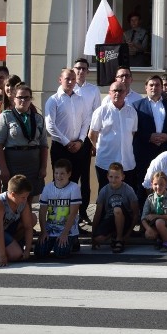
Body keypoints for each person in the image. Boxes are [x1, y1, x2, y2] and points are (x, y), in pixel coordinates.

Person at [0, 84, 49, 200]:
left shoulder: (38, 119)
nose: (23, 100)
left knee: (29, 197)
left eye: (27, 97)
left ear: (31, 99)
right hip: (13, 164)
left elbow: (44, 145)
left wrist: (43, 167)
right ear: (14, 98)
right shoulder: (6, 117)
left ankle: (27, 218)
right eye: (20, 97)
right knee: (13, 197)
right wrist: (3, 168)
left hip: (33, 164)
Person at [133, 75, 167, 202]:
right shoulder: (136, 106)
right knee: (144, 182)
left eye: (157, 85)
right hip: (145, 150)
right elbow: (134, 129)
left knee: (165, 181)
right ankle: (143, 213)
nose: (154, 87)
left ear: (161, 88)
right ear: (146, 87)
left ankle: (165, 212)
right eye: (151, 85)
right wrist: (149, 137)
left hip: (165, 150)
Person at [45, 69, 91, 196]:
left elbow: (86, 120)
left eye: (73, 79)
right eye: (67, 79)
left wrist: (81, 141)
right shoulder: (53, 100)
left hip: (78, 147)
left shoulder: (80, 100)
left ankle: (75, 214)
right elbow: (50, 125)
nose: (70, 82)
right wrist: (67, 143)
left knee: (75, 182)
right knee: (60, 181)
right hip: (61, 147)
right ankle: (56, 214)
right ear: (60, 80)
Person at [89, 82, 138, 189]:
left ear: (125, 93)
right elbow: (92, 134)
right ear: (109, 93)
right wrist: (97, 148)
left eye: (120, 91)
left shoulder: (132, 112)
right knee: (105, 194)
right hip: (106, 162)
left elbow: (132, 133)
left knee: (127, 195)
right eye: (114, 91)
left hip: (127, 162)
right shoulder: (101, 111)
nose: (117, 93)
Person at [72, 57, 101, 225]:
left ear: (88, 72)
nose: (80, 71)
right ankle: (70, 213)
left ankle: (83, 212)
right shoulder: (67, 88)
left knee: (84, 178)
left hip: (86, 140)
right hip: (69, 139)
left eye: (83, 68)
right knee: (71, 177)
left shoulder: (93, 90)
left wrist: (94, 143)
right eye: (78, 68)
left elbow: (96, 116)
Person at [35, 158, 82, 259]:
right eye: (56, 173)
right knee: (40, 253)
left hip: (67, 229)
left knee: (61, 253)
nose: (58, 176)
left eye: (62, 173)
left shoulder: (74, 188)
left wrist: (65, 233)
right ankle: (54, 241)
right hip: (51, 228)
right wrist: (43, 232)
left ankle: (74, 240)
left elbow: (73, 213)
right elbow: (42, 212)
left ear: (69, 174)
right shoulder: (47, 188)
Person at [91, 162, 139, 253]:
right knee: (99, 238)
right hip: (110, 218)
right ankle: (115, 234)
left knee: (117, 210)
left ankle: (119, 239)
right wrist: (93, 235)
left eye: (117, 177)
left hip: (125, 219)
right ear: (107, 176)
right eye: (111, 177)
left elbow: (136, 214)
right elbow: (97, 214)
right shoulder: (104, 191)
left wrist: (128, 234)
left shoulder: (128, 190)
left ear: (123, 177)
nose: (113, 180)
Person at [141, 171, 167, 251]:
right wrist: (148, 228)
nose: (158, 187)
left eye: (161, 184)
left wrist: (156, 216)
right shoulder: (150, 198)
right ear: (151, 184)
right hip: (155, 225)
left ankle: (166, 242)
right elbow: (143, 217)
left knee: (159, 222)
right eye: (155, 184)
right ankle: (159, 239)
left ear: (166, 184)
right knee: (148, 234)